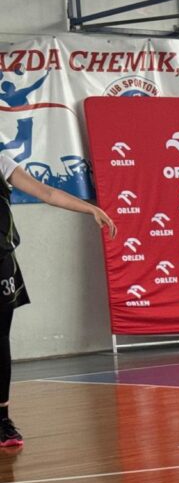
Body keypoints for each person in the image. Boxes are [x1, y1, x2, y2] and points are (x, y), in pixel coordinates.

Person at [0, 153, 116, 446]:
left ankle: (2, 420)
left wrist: (89, 208)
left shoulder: (1, 162)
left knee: (0, 341)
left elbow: (47, 193)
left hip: (1, 264)